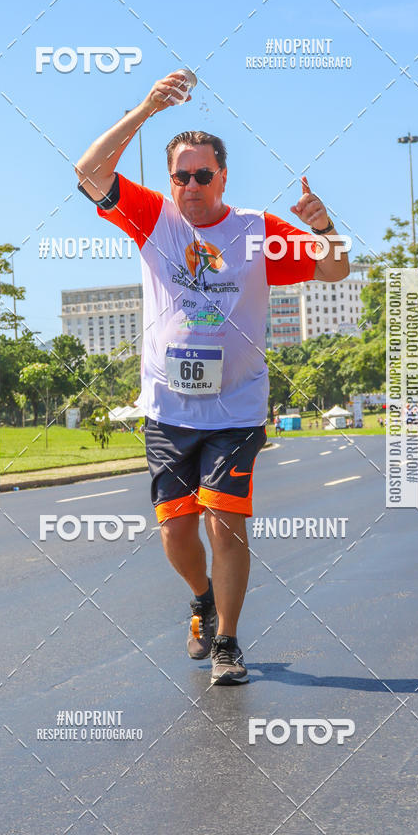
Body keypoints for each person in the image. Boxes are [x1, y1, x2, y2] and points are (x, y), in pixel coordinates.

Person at [75, 71, 350, 685]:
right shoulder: (153, 219)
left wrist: (324, 227)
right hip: (168, 408)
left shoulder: (258, 230)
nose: (192, 186)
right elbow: (89, 172)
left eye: (203, 175)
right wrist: (146, 108)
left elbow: (334, 272)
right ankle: (200, 598)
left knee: (224, 521)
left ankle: (226, 639)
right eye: (181, 175)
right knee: (175, 530)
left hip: (236, 410)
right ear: (169, 180)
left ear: (223, 176)